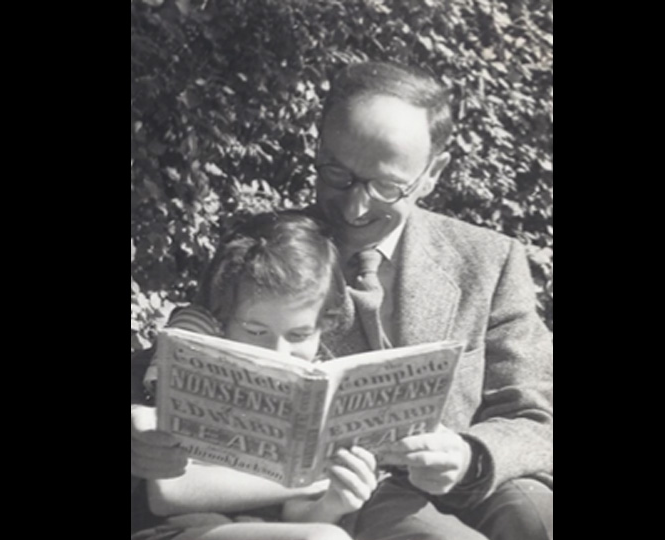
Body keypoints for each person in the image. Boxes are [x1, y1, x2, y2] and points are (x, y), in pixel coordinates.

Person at [311, 61, 554, 540]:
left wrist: (470, 457)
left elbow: (536, 412)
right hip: (339, 495)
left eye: (385, 187)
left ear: (432, 173)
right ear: (317, 144)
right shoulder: (267, 251)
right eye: (335, 173)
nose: (354, 207)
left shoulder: (488, 260)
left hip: (468, 482)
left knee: (539, 518)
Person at [131, 211, 375, 540]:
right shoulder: (186, 361)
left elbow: (298, 519)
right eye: (256, 331)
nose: (278, 353)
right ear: (222, 319)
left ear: (323, 325)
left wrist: (335, 498)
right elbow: (170, 491)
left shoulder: (317, 385)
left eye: (299, 335)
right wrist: (313, 478)